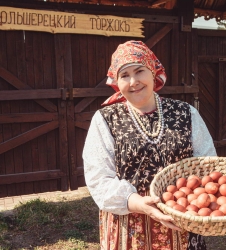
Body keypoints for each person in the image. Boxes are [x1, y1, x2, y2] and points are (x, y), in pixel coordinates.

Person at [82, 40, 217, 250]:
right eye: (124, 75)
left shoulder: (185, 112)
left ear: (153, 72)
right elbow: (98, 179)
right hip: (130, 227)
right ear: (116, 81)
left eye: (139, 71)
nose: (133, 81)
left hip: (182, 217)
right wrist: (140, 204)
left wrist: (194, 200)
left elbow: (208, 164)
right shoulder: (105, 119)